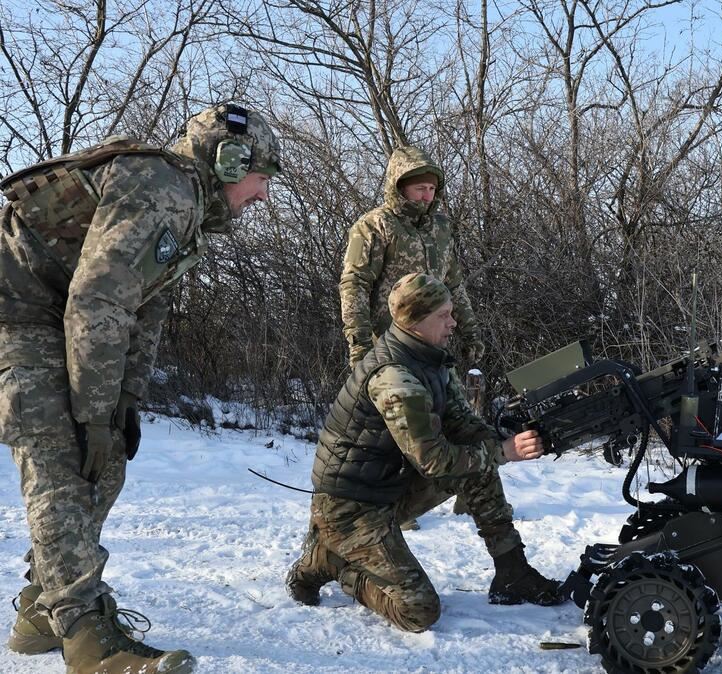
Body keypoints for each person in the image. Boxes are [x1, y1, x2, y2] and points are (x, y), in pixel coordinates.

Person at [0, 103, 281, 673]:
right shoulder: (163, 187)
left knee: (106, 464)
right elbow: (98, 301)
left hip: (48, 314)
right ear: (229, 162)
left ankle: (40, 610)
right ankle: (85, 634)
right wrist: (93, 413)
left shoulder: (187, 209)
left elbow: (144, 311)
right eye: (262, 178)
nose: (263, 195)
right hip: (15, 314)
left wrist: (122, 402)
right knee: (61, 458)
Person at [285, 273, 564, 632]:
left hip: (388, 489)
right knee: (418, 612)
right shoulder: (395, 378)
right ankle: (333, 562)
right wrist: (502, 451)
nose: (453, 322)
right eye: (444, 315)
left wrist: (508, 437)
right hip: (350, 508)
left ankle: (513, 571)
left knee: (476, 460)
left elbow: (463, 425)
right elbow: (431, 459)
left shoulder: (430, 358)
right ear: (416, 321)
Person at [340, 143, 485, 528]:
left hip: (435, 344)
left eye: (432, 188)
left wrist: (468, 329)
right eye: (418, 188)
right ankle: (395, 508)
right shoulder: (373, 226)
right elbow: (354, 285)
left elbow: (454, 283)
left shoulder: (441, 228)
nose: (426, 195)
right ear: (399, 186)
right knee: (396, 431)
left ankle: (472, 493)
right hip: (392, 348)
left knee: (457, 418)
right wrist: (359, 344)